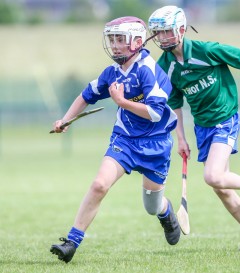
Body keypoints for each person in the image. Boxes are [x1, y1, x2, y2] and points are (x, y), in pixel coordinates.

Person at [148, 6, 240, 251]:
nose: (161, 37)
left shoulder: (205, 50)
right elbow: (175, 102)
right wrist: (181, 139)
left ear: (180, 29)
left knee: (212, 176)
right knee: (221, 187)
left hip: (225, 118)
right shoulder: (164, 66)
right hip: (202, 126)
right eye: (157, 33)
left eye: (166, 32)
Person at [50, 16, 180, 263]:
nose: (115, 45)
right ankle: (71, 242)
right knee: (100, 185)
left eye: (121, 39)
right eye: (112, 39)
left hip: (156, 143)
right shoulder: (112, 72)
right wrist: (65, 119)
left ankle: (165, 212)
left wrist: (121, 102)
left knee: (152, 206)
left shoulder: (148, 70)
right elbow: (86, 95)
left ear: (138, 41)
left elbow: (154, 113)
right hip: (125, 140)